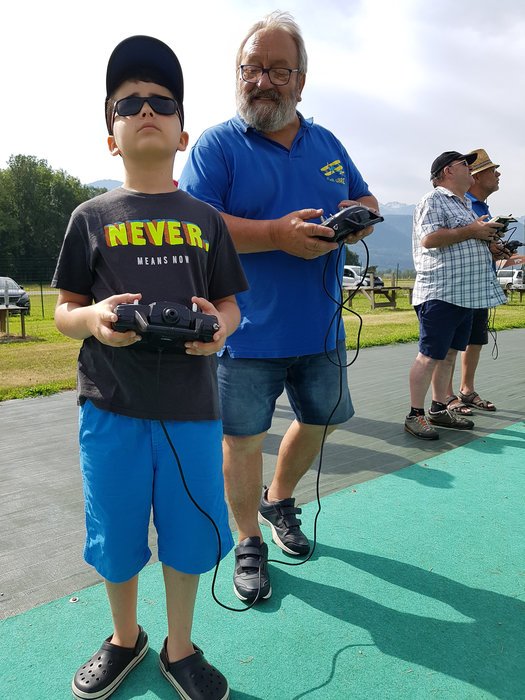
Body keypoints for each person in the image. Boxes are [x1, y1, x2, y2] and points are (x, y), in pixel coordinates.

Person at [52, 35, 248, 700]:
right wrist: (93, 318)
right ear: (111, 138)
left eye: (162, 102)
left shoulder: (206, 220)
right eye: (127, 103)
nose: (145, 110)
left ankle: (180, 646)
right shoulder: (90, 216)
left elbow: (230, 304)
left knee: (190, 534)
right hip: (111, 406)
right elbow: (64, 310)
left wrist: (218, 329)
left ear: (182, 133)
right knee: (115, 530)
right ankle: (124, 637)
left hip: (192, 408)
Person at [179, 11, 379, 603]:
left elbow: (364, 194)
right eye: (252, 68)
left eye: (278, 70)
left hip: (321, 327)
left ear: (301, 80)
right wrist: (275, 235)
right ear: (239, 75)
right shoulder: (217, 144)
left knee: (324, 418)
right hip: (244, 331)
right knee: (243, 440)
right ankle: (247, 540)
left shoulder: (327, 143)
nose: (263, 80)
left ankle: (278, 499)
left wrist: (358, 220)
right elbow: (197, 225)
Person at [404, 151, 506, 440]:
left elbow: (464, 238)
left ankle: (438, 408)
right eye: (465, 164)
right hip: (441, 291)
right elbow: (430, 239)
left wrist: (488, 242)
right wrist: (473, 230)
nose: (470, 169)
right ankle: (414, 415)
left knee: (448, 354)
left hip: (464, 294)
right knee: (428, 356)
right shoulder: (434, 199)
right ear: (448, 171)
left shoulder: (464, 204)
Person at [444, 148, 502, 414]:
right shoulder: (460, 204)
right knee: (452, 343)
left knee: (475, 338)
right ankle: (446, 396)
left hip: (480, 284)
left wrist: (495, 250)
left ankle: (466, 390)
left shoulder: (481, 206)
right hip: (460, 285)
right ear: (476, 176)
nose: (498, 174)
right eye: (492, 170)